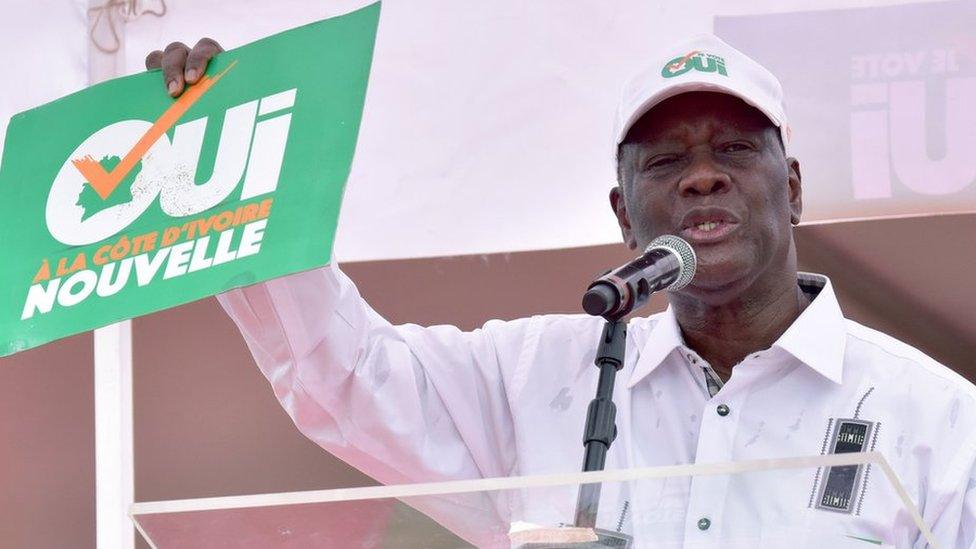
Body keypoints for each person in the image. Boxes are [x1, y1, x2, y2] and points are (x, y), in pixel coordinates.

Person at [148, 33, 976, 547]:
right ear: (625, 215)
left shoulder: (938, 417)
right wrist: (241, 186)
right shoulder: (543, 374)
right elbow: (346, 376)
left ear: (791, 188)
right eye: (663, 162)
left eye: (734, 149)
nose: (700, 178)